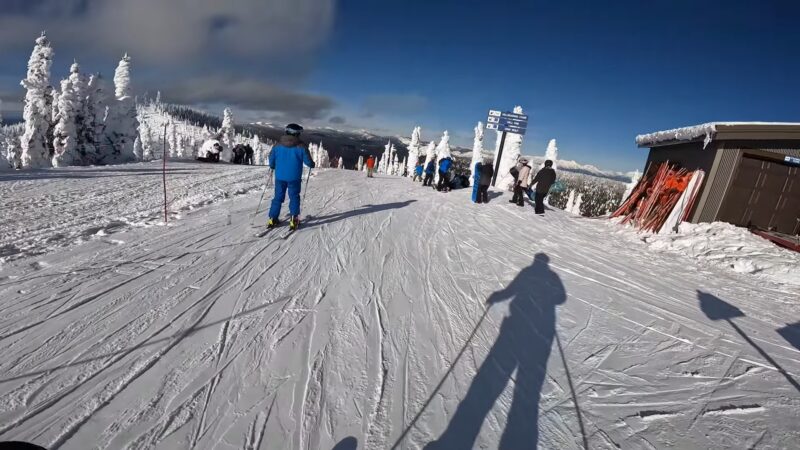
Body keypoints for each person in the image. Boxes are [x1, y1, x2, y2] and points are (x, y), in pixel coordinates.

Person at [267, 123, 315, 230]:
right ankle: (294, 220)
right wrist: (312, 164)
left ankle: (272, 218)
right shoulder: (301, 146)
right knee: (294, 197)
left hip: (280, 177)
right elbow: (308, 162)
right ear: (297, 134)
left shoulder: (277, 145)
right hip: (294, 178)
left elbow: (271, 159)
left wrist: (273, 165)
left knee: (278, 197)